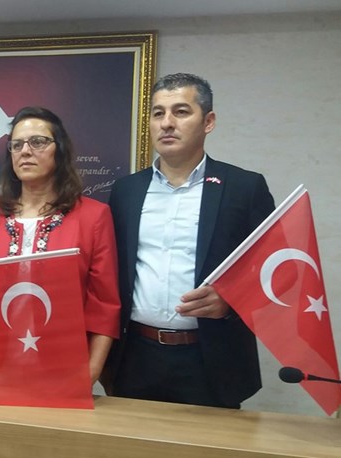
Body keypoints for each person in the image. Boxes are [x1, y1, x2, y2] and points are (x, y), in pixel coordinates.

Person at [104, 73, 276, 408]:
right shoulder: (126, 190)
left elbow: (277, 271)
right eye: (158, 113)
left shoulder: (244, 188)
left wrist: (232, 302)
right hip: (135, 356)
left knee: (210, 444)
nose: (167, 123)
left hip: (210, 359)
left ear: (208, 122)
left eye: (181, 112)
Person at [0, 106, 120, 384]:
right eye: (17, 144)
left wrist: (90, 373)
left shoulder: (93, 216)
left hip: (64, 368)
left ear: (60, 151)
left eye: (37, 142)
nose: (25, 151)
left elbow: (104, 306)